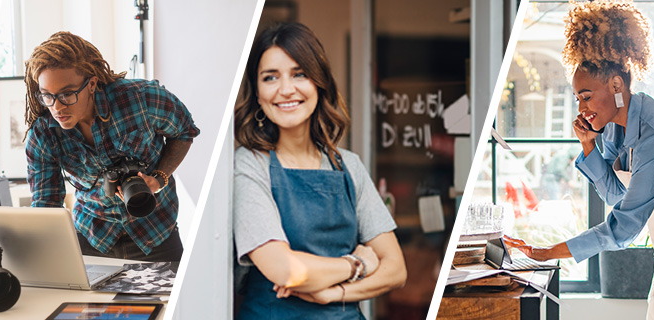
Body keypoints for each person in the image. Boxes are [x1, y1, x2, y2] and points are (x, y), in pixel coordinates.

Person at [503, 1, 654, 318]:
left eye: (586, 96)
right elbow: (619, 197)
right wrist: (589, 147)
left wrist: (548, 253)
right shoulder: (617, 128)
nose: (581, 109)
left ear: (617, 85)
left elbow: (624, 229)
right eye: (578, 98)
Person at [233, 22, 406, 319]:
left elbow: (396, 269)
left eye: (299, 74)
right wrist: (357, 264)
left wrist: (334, 294)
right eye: (270, 77)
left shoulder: (348, 165)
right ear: (258, 93)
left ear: (319, 83)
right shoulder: (249, 164)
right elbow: (285, 269)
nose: (286, 90)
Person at [24, 31, 199, 262]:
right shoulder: (43, 133)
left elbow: (185, 131)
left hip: (156, 232)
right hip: (92, 237)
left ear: (92, 84)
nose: (57, 107)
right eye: (47, 96)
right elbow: (47, 204)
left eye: (67, 94)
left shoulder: (141, 98)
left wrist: (159, 177)